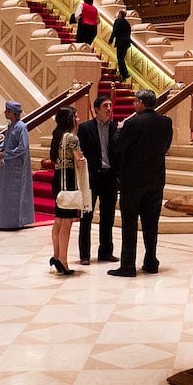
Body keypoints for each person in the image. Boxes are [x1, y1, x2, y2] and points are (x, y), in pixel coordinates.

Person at [109, 89, 173, 278]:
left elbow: (117, 146)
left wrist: (119, 130)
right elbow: (166, 145)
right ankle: (151, 260)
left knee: (129, 223)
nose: (133, 105)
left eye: (135, 102)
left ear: (140, 103)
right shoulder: (166, 122)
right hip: (155, 179)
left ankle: (128, 265)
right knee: (151, 223)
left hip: (133, 181)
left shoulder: (132, 122)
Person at [76, 94, 119, 263]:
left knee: (108, 217)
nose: (109, 109)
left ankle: (106, 252)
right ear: (96, 110)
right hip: (92, 177)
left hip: (110, 177)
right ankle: (85, 254)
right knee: (87, 216)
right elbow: (81, 153)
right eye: (105, 106)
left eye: (110, 106)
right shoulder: (86, 128)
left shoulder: (116, 128)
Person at [49, 106, 87, 276]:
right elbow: (79, 158)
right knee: (67, 222)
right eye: (76, 116)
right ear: (70, 119)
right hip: (68, 180)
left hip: (57, 178)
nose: (78, 119)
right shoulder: (71, 137)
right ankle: (63, 260)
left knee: (58, 220)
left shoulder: (56, 135)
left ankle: (56, 255)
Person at [0, 100, 35, 232]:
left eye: (7, 110)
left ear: (12, 112)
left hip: (16, 166)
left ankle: (15, 221)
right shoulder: (11, 125)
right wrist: (0, 148)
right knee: (5, 192)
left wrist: (7, 154)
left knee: (14, 194)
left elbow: (23, 146)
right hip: (7, 165)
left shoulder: (21, 127)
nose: (5, 112)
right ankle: (3, 220)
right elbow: (8, 141)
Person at [109, 10, 133, 80]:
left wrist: (111, 39)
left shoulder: (118, 21)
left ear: (120, 14)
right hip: (126, 43)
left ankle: (124, 73)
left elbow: (115, 31)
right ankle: (123, 73)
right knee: (122, 58)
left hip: (120, 42)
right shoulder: (127, 23)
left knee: (120, 58)